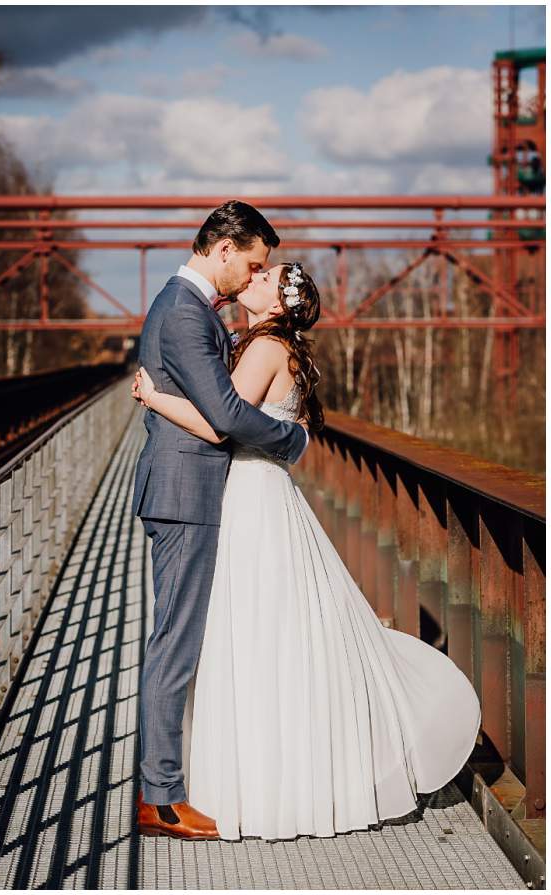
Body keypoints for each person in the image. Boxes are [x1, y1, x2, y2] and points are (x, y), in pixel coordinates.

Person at [135, 261, 480, 840]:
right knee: (267, 630)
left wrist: (153, 396)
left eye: (265, 277)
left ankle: (242, 780)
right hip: (261, 491)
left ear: (276, 305)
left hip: (249, 495)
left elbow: (222, 426)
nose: (255, 276)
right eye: (257, 267)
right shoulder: (270, 344)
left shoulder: (265, 348)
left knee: (247, 631)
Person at [129, 200, 309, 839]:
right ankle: (161, 798)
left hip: (187, 490)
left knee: (178, 640)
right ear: (225, 248)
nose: (253, 276)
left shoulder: (186, 307)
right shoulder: (183, 311)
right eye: (253, 262)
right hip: (186, 492)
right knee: (175, 645)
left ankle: (169, 785)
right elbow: (227, 416)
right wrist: (291, 440)